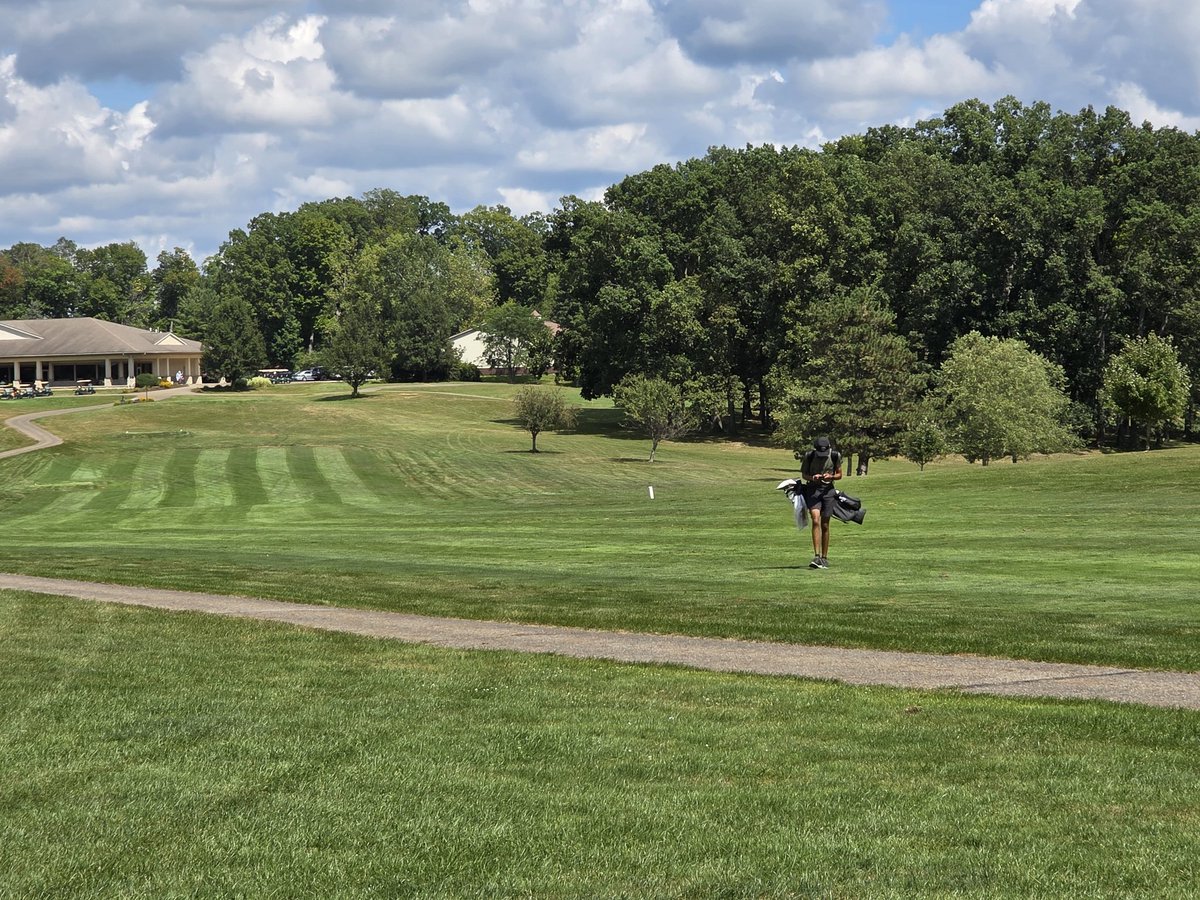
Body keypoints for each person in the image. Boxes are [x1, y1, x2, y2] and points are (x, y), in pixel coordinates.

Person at [800, 436, 842, 569]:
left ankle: (824, 557)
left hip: (828, 491)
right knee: (815, 519)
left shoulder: (835, 455)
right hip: (813, 491)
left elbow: (839, 474)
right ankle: (816, 556)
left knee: (825, 524)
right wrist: (813, 477)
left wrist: (831, 476)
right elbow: (804, 474)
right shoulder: (809, 456)